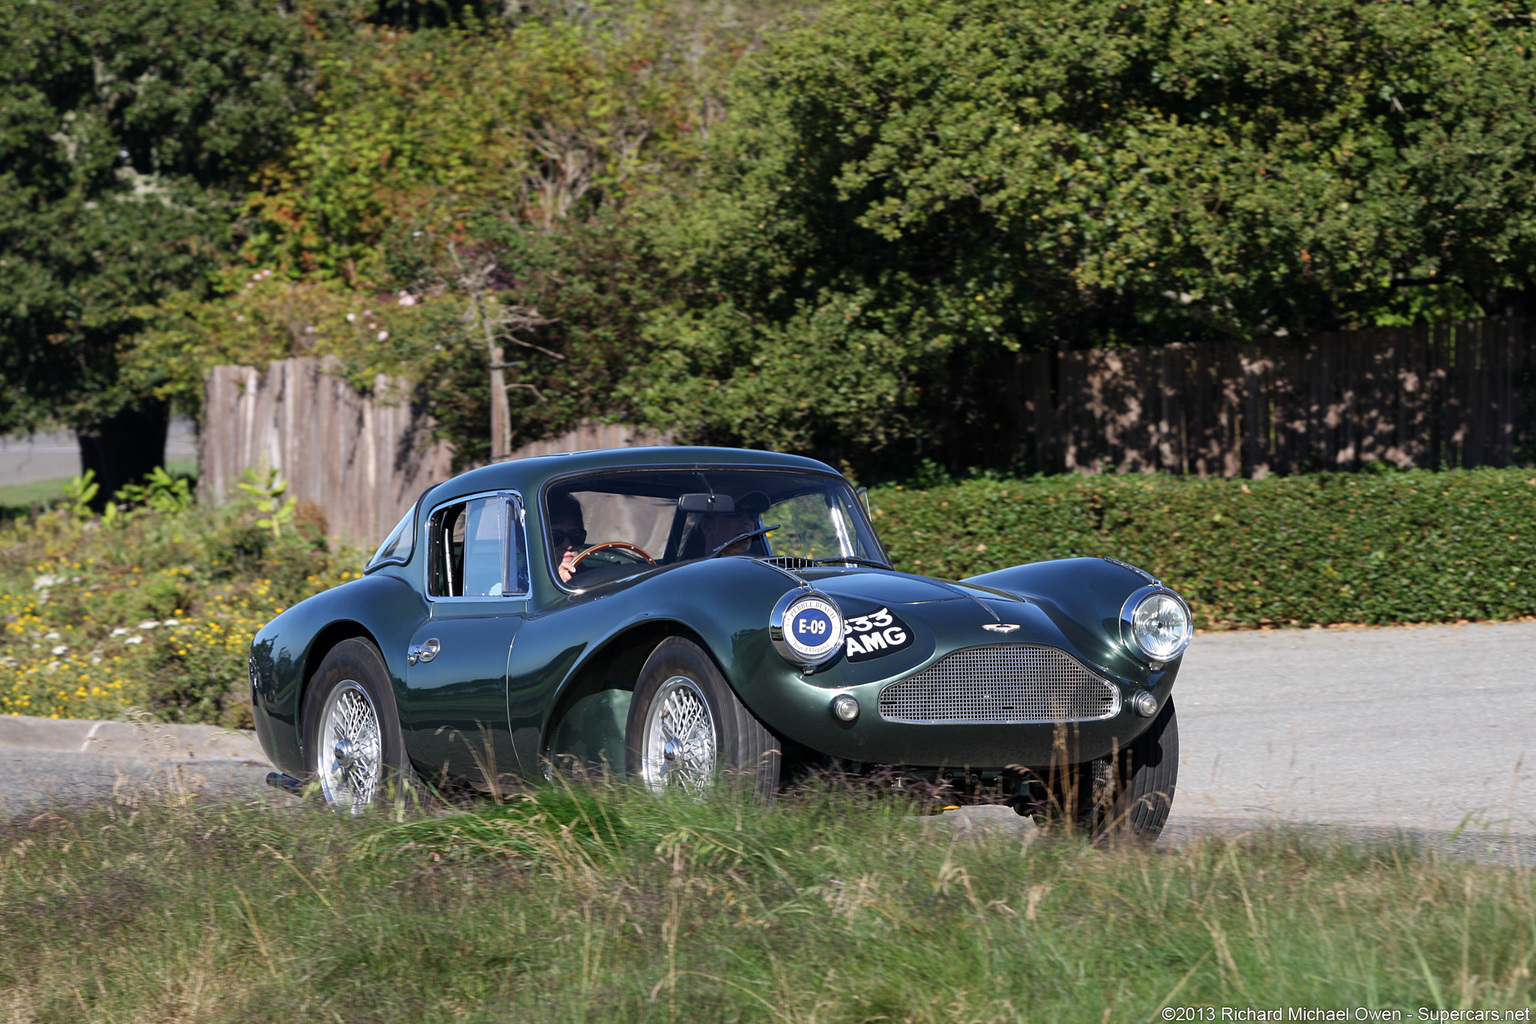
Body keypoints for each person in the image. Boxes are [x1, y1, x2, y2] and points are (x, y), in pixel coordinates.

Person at [548, 491, 586, 583]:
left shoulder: (595, 578)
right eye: (555, 537)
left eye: (575, 535)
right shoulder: (519, 584)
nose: (568, 545)